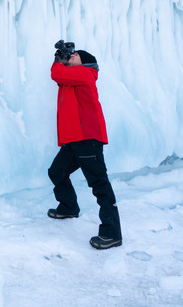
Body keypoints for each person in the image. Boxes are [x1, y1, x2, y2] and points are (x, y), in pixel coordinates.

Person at [48, 45, 122, 250]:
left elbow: (57, 73)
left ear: (86, 61)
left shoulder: (86, 73)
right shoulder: (72, 78)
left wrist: (58, 60)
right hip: (74, 139)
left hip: (87, 137)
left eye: (76, 55)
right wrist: (62, 58)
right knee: (57, 172)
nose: (72, 55)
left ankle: (112, 233)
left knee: (99, 185)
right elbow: (61, 77)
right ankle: (69, 207)